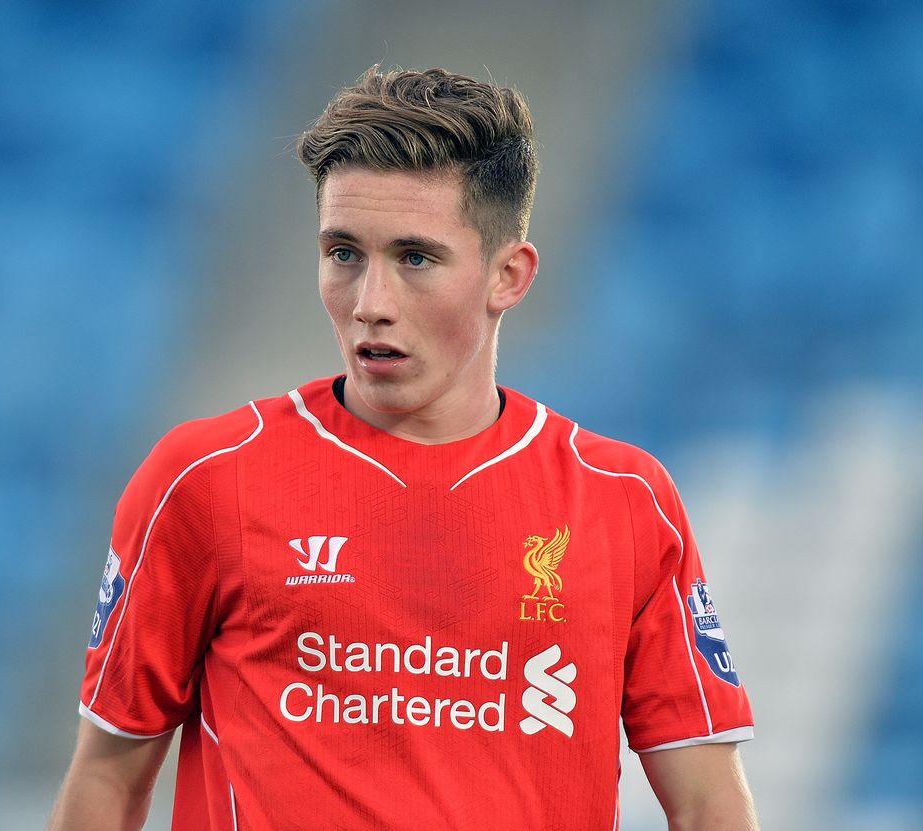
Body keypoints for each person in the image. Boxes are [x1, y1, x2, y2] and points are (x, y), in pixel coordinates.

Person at [48, 66, 758, 830]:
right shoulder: (204, 479)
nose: (371, 304)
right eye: (344, 252)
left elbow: (708, 801)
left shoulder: (623, 498)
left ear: (508, 275)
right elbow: (107, 782)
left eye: (415, 258)